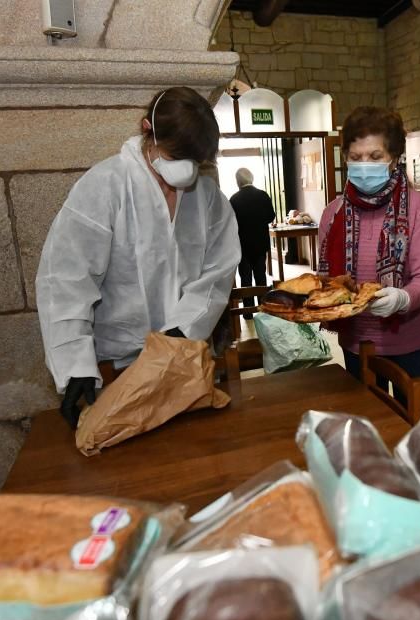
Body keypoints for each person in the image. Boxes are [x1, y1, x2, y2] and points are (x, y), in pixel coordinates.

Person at [36, 86, 241, 428]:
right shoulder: (105, 186)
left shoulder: (206, 197)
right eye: (177, 158)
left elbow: (219, 269)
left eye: (197, 162)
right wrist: (75, 367)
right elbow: (66, 280)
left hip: (182, 356)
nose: (187, 171)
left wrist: (184, 327)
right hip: (116, 366)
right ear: (148, 130)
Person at [318, 106, 420, 407]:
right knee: (368, 424)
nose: (364, 165)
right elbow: (327, 280)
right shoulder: (333, 214)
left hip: (410, 342)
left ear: (394, 159)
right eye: (356, 156)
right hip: (357, 343)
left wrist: (402, 298)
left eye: (375, 157)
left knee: (414, 427)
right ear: (345, 157)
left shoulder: (419, 210)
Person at [229, 167, 275, 315]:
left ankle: (248, 312)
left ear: (238, 181)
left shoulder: (234, 199)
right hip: (260, 243)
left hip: (242, 245)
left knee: (246, 278)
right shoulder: (262, 195)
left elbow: (231, 224)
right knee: (261, 275)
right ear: (252, 178)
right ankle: (263, 310)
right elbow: (270, 216)